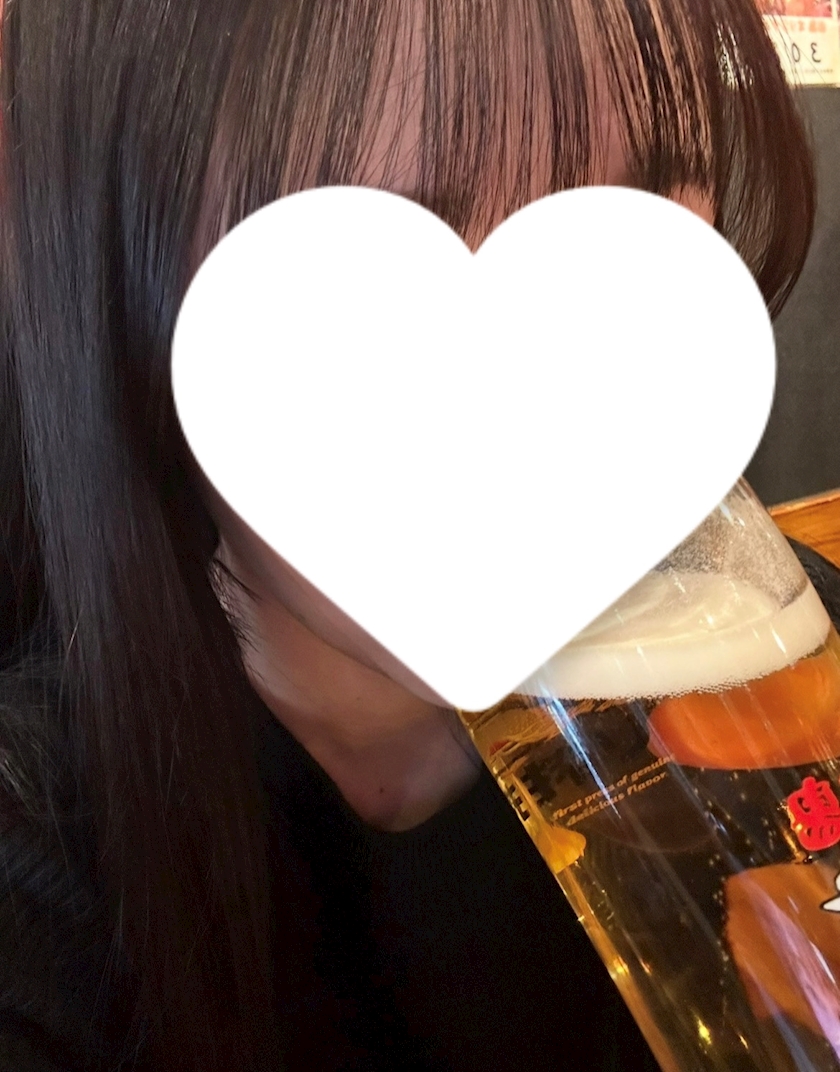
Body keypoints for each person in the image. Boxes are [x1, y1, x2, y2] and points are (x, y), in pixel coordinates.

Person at [0, 0, 827, 1070]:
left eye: (626, 226)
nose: (542, 397)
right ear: (120, 272)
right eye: (367, 269)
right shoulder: (42, 880)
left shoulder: (786, 664)